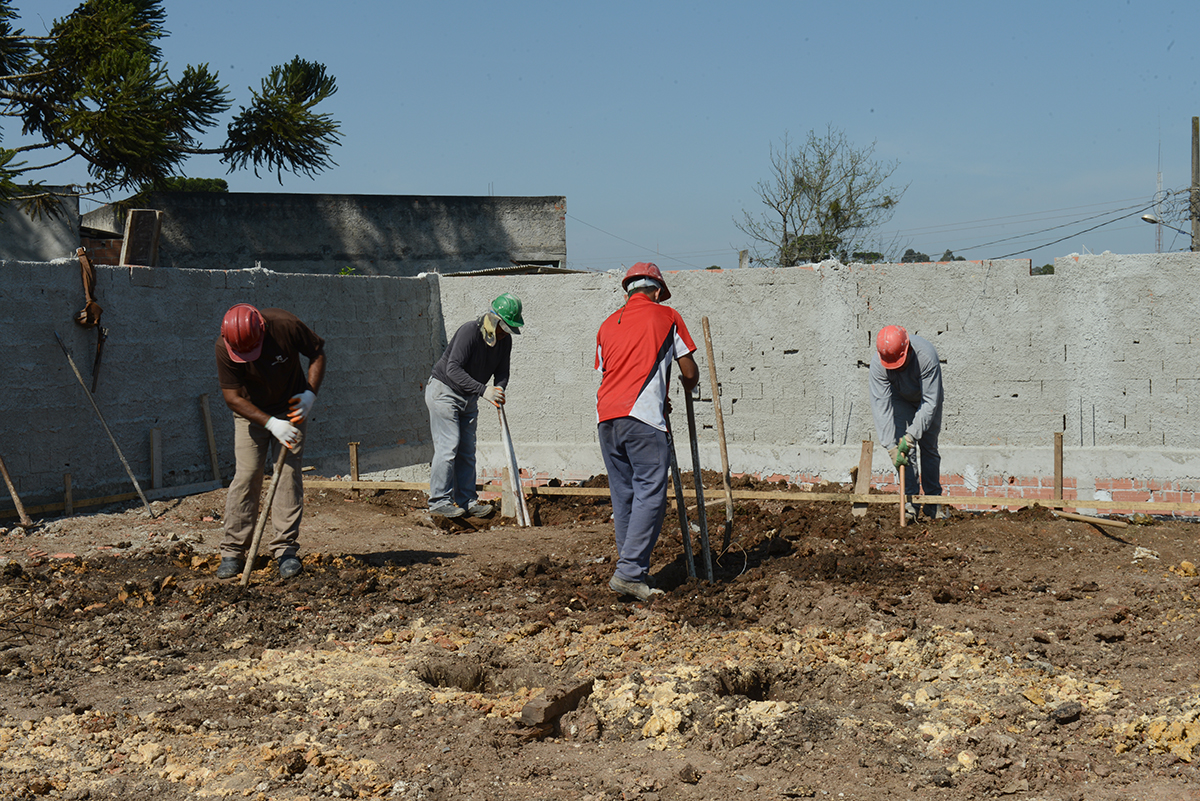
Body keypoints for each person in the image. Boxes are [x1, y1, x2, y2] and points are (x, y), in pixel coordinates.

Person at [595, 263, 699, 601]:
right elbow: (688, 370)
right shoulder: (667, 316)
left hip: (607, 418)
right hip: (643, 419)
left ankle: (632, 570)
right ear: (656, 291)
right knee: (650, 495)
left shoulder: (607, 325)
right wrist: (689, 384)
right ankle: (628, 572)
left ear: (628, 291)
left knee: (624, 494)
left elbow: (612, 372)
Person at [214, 304, 326, 580]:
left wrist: (310, 394)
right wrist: (271, 424)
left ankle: (285, 550)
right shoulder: (224, 347)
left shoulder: (285, 325)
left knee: (287, 475)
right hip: (250, 413)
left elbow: (316, 353)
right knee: (247, 475)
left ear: (262, 331)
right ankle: (233, 551)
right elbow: (232, 398)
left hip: (291, 408)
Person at [425, 293, 524, 518]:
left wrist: (499, 389)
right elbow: (453, 369)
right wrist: (483, 390)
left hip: (469, 397)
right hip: (445, 391)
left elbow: (502, 371)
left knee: (467, 451)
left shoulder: (503, 341)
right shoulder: (470, 331)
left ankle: (467, 501)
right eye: (504, 327)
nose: (505, 334)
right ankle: (439, 501)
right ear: (495, 320)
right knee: (448, 446)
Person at [869, 324, 946, 521]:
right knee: (905, 451)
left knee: (928, 447)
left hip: (927, 397)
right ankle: (911, 503)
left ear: (907, 348)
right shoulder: (879, 364)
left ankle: (932, 502)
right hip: (900, 397)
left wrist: (912, 435)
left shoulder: (926, 356)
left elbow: (930, 402)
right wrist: (890, 446)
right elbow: (881, 407)